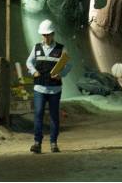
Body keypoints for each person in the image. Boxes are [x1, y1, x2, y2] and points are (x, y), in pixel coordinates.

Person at [26, 19, 72, 154]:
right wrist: (33, 71)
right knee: (38, 114)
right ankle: (37, 143)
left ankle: (53, 143)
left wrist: (61, 74)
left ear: (53, 34)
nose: (46, 37)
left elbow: (68, 65)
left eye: (48, 35)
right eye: (44, 35)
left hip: (54, 89)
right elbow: (29, 62)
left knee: (53, 116)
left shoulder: (61, 49)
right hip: (39, 88)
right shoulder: (36, 48)